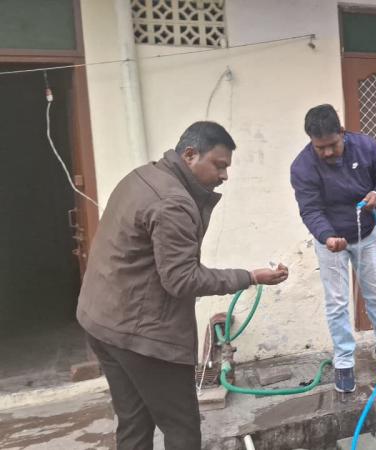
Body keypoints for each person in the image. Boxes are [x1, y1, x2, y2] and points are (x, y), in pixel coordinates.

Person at [76, 121, 289, 450]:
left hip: (102, 321)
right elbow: (182, 279)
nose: (224, 176)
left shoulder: (142, 176)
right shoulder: (173, 201)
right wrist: (250, 276)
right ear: (190, 155)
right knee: (183, 429)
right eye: (219, 165)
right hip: (142, 336)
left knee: (134, 422)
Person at [290, 104, 376, 394]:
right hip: (330, 240)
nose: (327, 152)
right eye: (320, 147)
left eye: (332, 144)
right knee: (337, 301)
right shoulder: (302, 167)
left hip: (366, 233)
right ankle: (343, 360)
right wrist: (327, 236)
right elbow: (310, 209)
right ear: (310, 141)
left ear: (342, 132)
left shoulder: (366, 147)